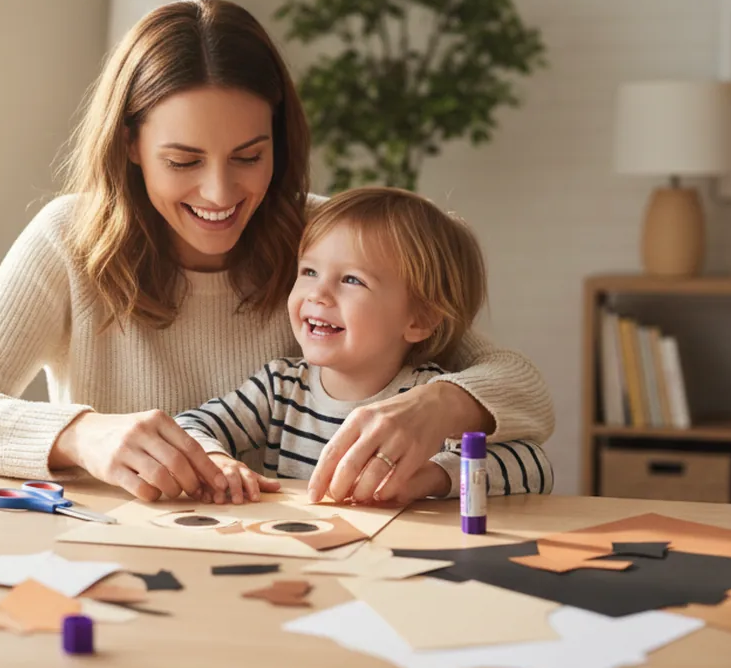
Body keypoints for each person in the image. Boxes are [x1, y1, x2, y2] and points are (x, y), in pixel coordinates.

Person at [0, 0, 555, 504]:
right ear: (129, 144)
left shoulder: (327, 242)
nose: (220, 193)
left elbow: (522, 389)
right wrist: (82, 434)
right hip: (122, 552)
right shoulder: (69, 239)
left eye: (250, 156)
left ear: (280, 138)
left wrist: (441, 405)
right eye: (183, 160)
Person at [175, 186, 553, 506]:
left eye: (352, 280)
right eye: (309, 271)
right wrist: (214, 458)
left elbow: (536, 467)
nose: (318, 294)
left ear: (419, 319)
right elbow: (189, 425)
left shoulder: (424, 400)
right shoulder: (279, 388)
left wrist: (435, 477)